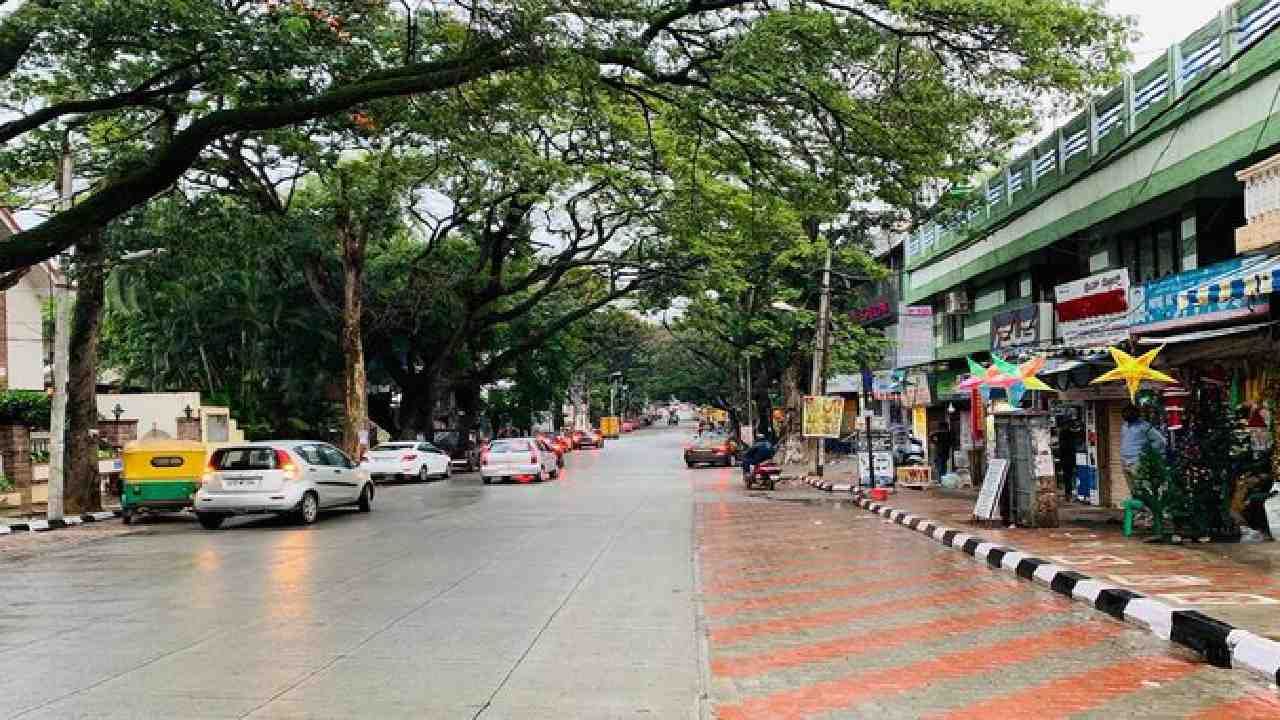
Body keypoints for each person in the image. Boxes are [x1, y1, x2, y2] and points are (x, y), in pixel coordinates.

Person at [1120, 403, 1166, 482]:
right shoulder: (1124, 426)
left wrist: (1147, 453)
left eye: (1129, 413)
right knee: (1133, 491)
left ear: (1135, 414)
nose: (1126, 415)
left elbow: (1160, 441)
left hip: (1138, 463)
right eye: (1125, 413)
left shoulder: (1144, 426)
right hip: (1125, 463)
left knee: (1141, 489)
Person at [1058, 416, 1080, 502]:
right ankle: (1070, 493)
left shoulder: (1064, 433)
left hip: (1066, 458)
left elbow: (1063, 447)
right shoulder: (1069, 433)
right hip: (1070, 458)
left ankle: (1069, 494)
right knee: (1070, 476)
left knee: (1067, 477)